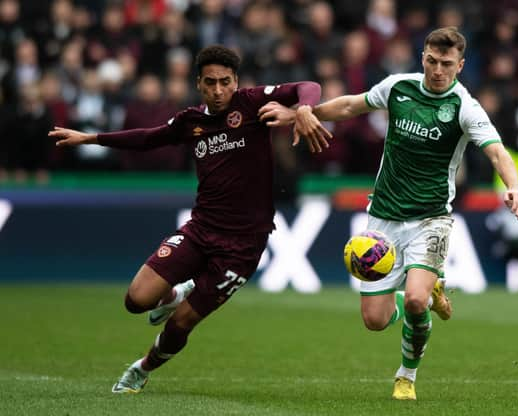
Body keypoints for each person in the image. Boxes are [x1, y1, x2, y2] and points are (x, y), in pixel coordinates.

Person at [260, 26, 518, 400]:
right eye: (431, 61)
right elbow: (352, 104)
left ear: (460, 66)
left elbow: (497, 152)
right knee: (375, 321)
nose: (437, 70)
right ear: (423, 58)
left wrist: (513, 185)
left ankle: (406, 375)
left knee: (417, 301)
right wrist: (298, 113)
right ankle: (417, 293)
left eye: (446, 64)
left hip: (430, 219)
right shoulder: (399, 87)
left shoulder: (465, 107)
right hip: (382, 218)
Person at [48, 45, 330, 394]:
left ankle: (142, 368)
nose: (218, 90)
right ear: (198, 83)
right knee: (136, 300)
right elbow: (149, 137)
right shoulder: (190, 121)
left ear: (235, 81)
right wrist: (91, 138)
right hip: (200, 230)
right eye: (210, 82)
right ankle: (173, 294)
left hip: (243, 246)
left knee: (182, 324)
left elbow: (309, 86)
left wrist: (303, 108)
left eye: (225, 82)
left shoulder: (252, 102)